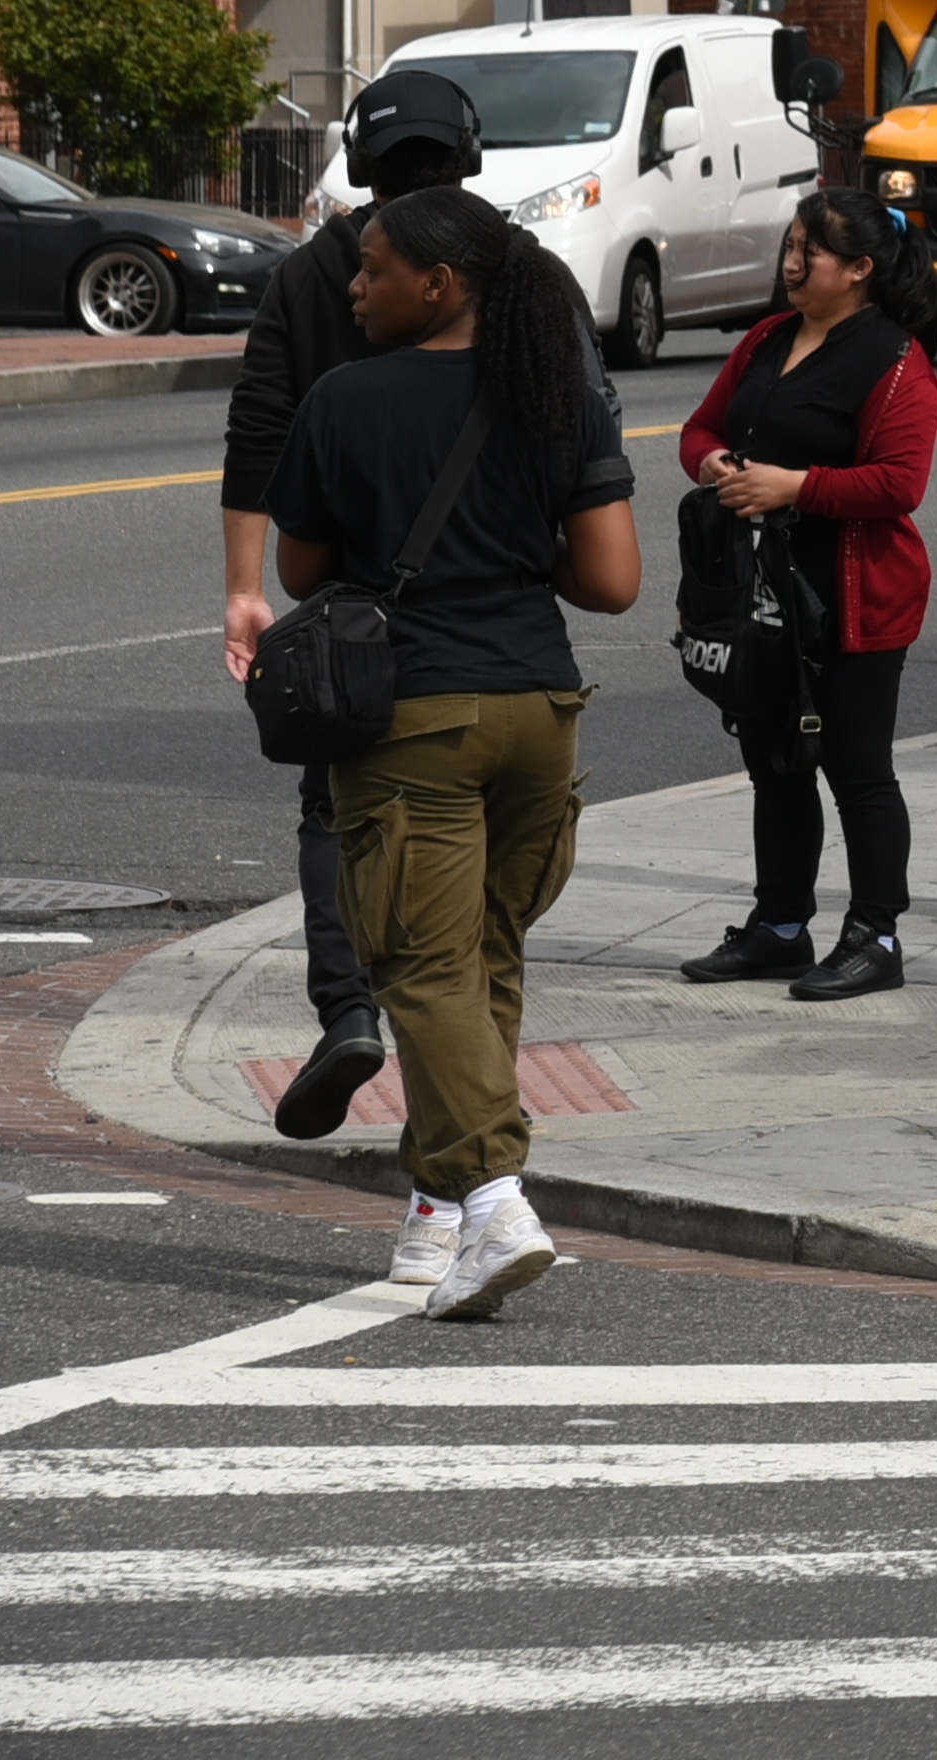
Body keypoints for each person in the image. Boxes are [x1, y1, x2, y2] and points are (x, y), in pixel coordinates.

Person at [265, 182, 639, 1324]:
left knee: (420, 969)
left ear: (443, 282)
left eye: (373, 267)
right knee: (480, 963)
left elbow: (301, 568)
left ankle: (495, 1196)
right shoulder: (555, 390)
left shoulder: (346, 399)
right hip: (539, 705)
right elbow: (612, 580)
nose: (355, 283)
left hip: (414, 718)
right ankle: (438, 1215)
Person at [216, 66, 490, 1158]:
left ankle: (349, 1009)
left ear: (362, 164)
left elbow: (257, 429)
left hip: (348, 608)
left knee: (336, 811)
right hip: (493, 603)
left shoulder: (317, 272)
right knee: (470, 843)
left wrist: (246, 589)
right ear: (466, 156)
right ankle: (465, 1117)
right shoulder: (511, 267)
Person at [671, 186, 937, 1001]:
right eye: (790, 248)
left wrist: (795, 486)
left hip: (857, 597)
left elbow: (900, 484)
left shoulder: (897, 361)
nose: (792, 265)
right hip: (764, 599)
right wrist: (714, 465)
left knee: (857, 770)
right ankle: (780, 927)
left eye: (810, 253)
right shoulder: (766, 338)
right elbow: (700, 429)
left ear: (860, 270)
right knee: (775, 765)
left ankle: (876, 936)